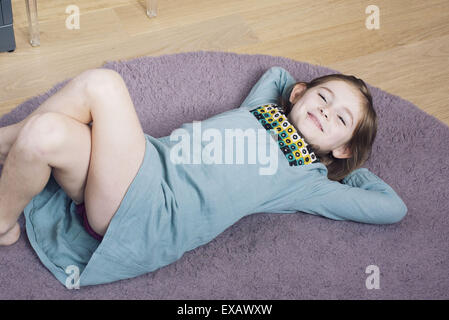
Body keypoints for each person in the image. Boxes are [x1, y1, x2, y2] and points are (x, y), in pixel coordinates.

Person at [0, 66, 407, 287]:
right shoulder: (261, 110)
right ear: (298, 95)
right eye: (323, 97)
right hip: (140, 165)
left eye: (340, 119)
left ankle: (2, 143)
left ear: (343, 146)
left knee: (103, 85)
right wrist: (296, 97)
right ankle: (3, 222)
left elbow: (391, 207)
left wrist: (344, 167)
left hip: (152, 211)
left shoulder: (308, 179)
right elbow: (276, 74)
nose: (325, 112)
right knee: (44, 133)